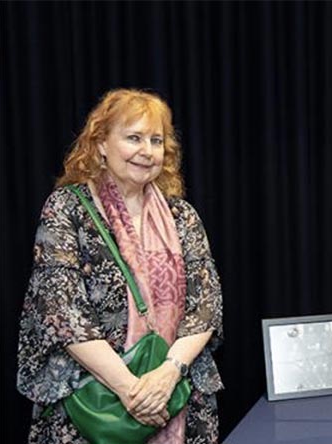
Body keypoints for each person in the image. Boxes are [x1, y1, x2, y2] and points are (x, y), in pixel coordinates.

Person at [16, 89, 224, 443]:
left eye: (156, 140)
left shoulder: (182, 216)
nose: (147, 151)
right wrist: (131, 390)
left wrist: (167, 376)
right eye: (133, 138)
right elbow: (62, 313)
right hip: (93, 408)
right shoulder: (67, 209)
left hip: (178, 398)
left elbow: (207, 305)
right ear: (100, 144)